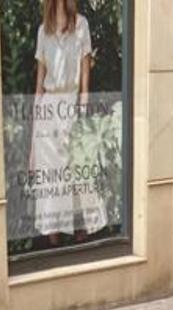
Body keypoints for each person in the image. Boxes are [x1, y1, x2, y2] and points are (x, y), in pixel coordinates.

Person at [29, 0, 106, 243]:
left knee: (76, 177)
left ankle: (80, 239)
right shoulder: (44, 30)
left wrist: (81, 116)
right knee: (52, 181)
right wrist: (33, 140)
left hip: (71, 109)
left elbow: (85, 80)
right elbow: (39, 86)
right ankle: (54, 243)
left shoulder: (81, 25)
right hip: (48, 113)